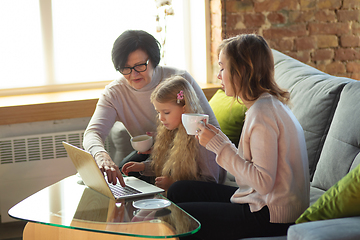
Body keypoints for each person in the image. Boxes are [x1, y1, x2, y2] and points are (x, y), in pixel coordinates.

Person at [166, 34, 310, 240]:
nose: (218, 75)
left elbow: (262, 182)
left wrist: (219, 147)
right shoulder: (265, 105)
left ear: (241, 71)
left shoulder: (263, 114)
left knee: (176, 214)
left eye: (222, 68)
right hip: (263, 201)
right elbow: (252, 174)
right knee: (179, 190)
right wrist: (221, 142)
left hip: (271, 215)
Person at [82, 30, 219, 187]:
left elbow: (212, 127)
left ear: (154, 60)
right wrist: (101, 156)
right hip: (154, 155)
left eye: (140, 66)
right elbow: (92, 133)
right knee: (121, 177)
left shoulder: (179, 79)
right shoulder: (115, 93)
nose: (133, 74)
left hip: (187, 155)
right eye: (125, 68)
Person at [122, 76, 226, 191]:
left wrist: (174, 184)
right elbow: (168, 165)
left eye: (166, 112)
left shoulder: (201, 137)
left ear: (184, 109)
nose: (161, 118)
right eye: (158, 112)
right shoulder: (172, 131)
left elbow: (211, 182)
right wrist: (143, 166)